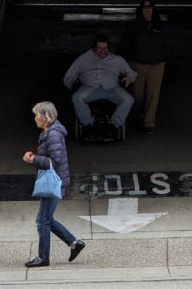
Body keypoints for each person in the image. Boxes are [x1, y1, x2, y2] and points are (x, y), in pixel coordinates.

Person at [22, 101, 85, 267]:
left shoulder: (53, 135)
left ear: (45, 117)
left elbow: (55, 161)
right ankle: (74, 243)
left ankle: (43, 257)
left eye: (37, 115)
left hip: (54, 183)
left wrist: (34, 159)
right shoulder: (49, 133)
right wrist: (34, 159)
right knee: (46, 219)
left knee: (42, 221)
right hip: (54, 181)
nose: (35, 118)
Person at [64, 34, 137, 135]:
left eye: (105, 48)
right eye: (100, 48)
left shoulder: (117, 60)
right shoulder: (83, 59)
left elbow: (132, 73)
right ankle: (87, 126)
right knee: (76, 97)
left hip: (112, 88)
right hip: (90, 88)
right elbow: (68, 76)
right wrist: (72, 84)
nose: (103, 51)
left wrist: (128, 79)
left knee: (129, 99)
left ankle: (113, 126)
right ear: (94, 47)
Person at [118, 0, 167, 134]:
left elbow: (166, 43)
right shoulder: (133, 26)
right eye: (144, 7)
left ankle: (149, 122)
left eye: (149, 7)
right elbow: (125, 44)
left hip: (157, 64)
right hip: (137, 64)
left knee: (153, 93)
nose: (147, 10)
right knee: (137, 94)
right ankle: (140, 116)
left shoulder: (159, 25)